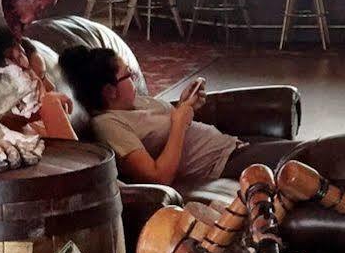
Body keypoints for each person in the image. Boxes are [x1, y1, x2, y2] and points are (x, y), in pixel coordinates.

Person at [56, 45, 294, 190]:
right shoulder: (109, 125)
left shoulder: (134, 102)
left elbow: (169, 125)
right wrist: (180, 121)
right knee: (310, 157)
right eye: (128, 75)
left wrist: (185, 105)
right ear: (110, 91)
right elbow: (158, 177)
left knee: (307, 158)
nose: (135, 77)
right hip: (221, 165)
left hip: (233, 148)